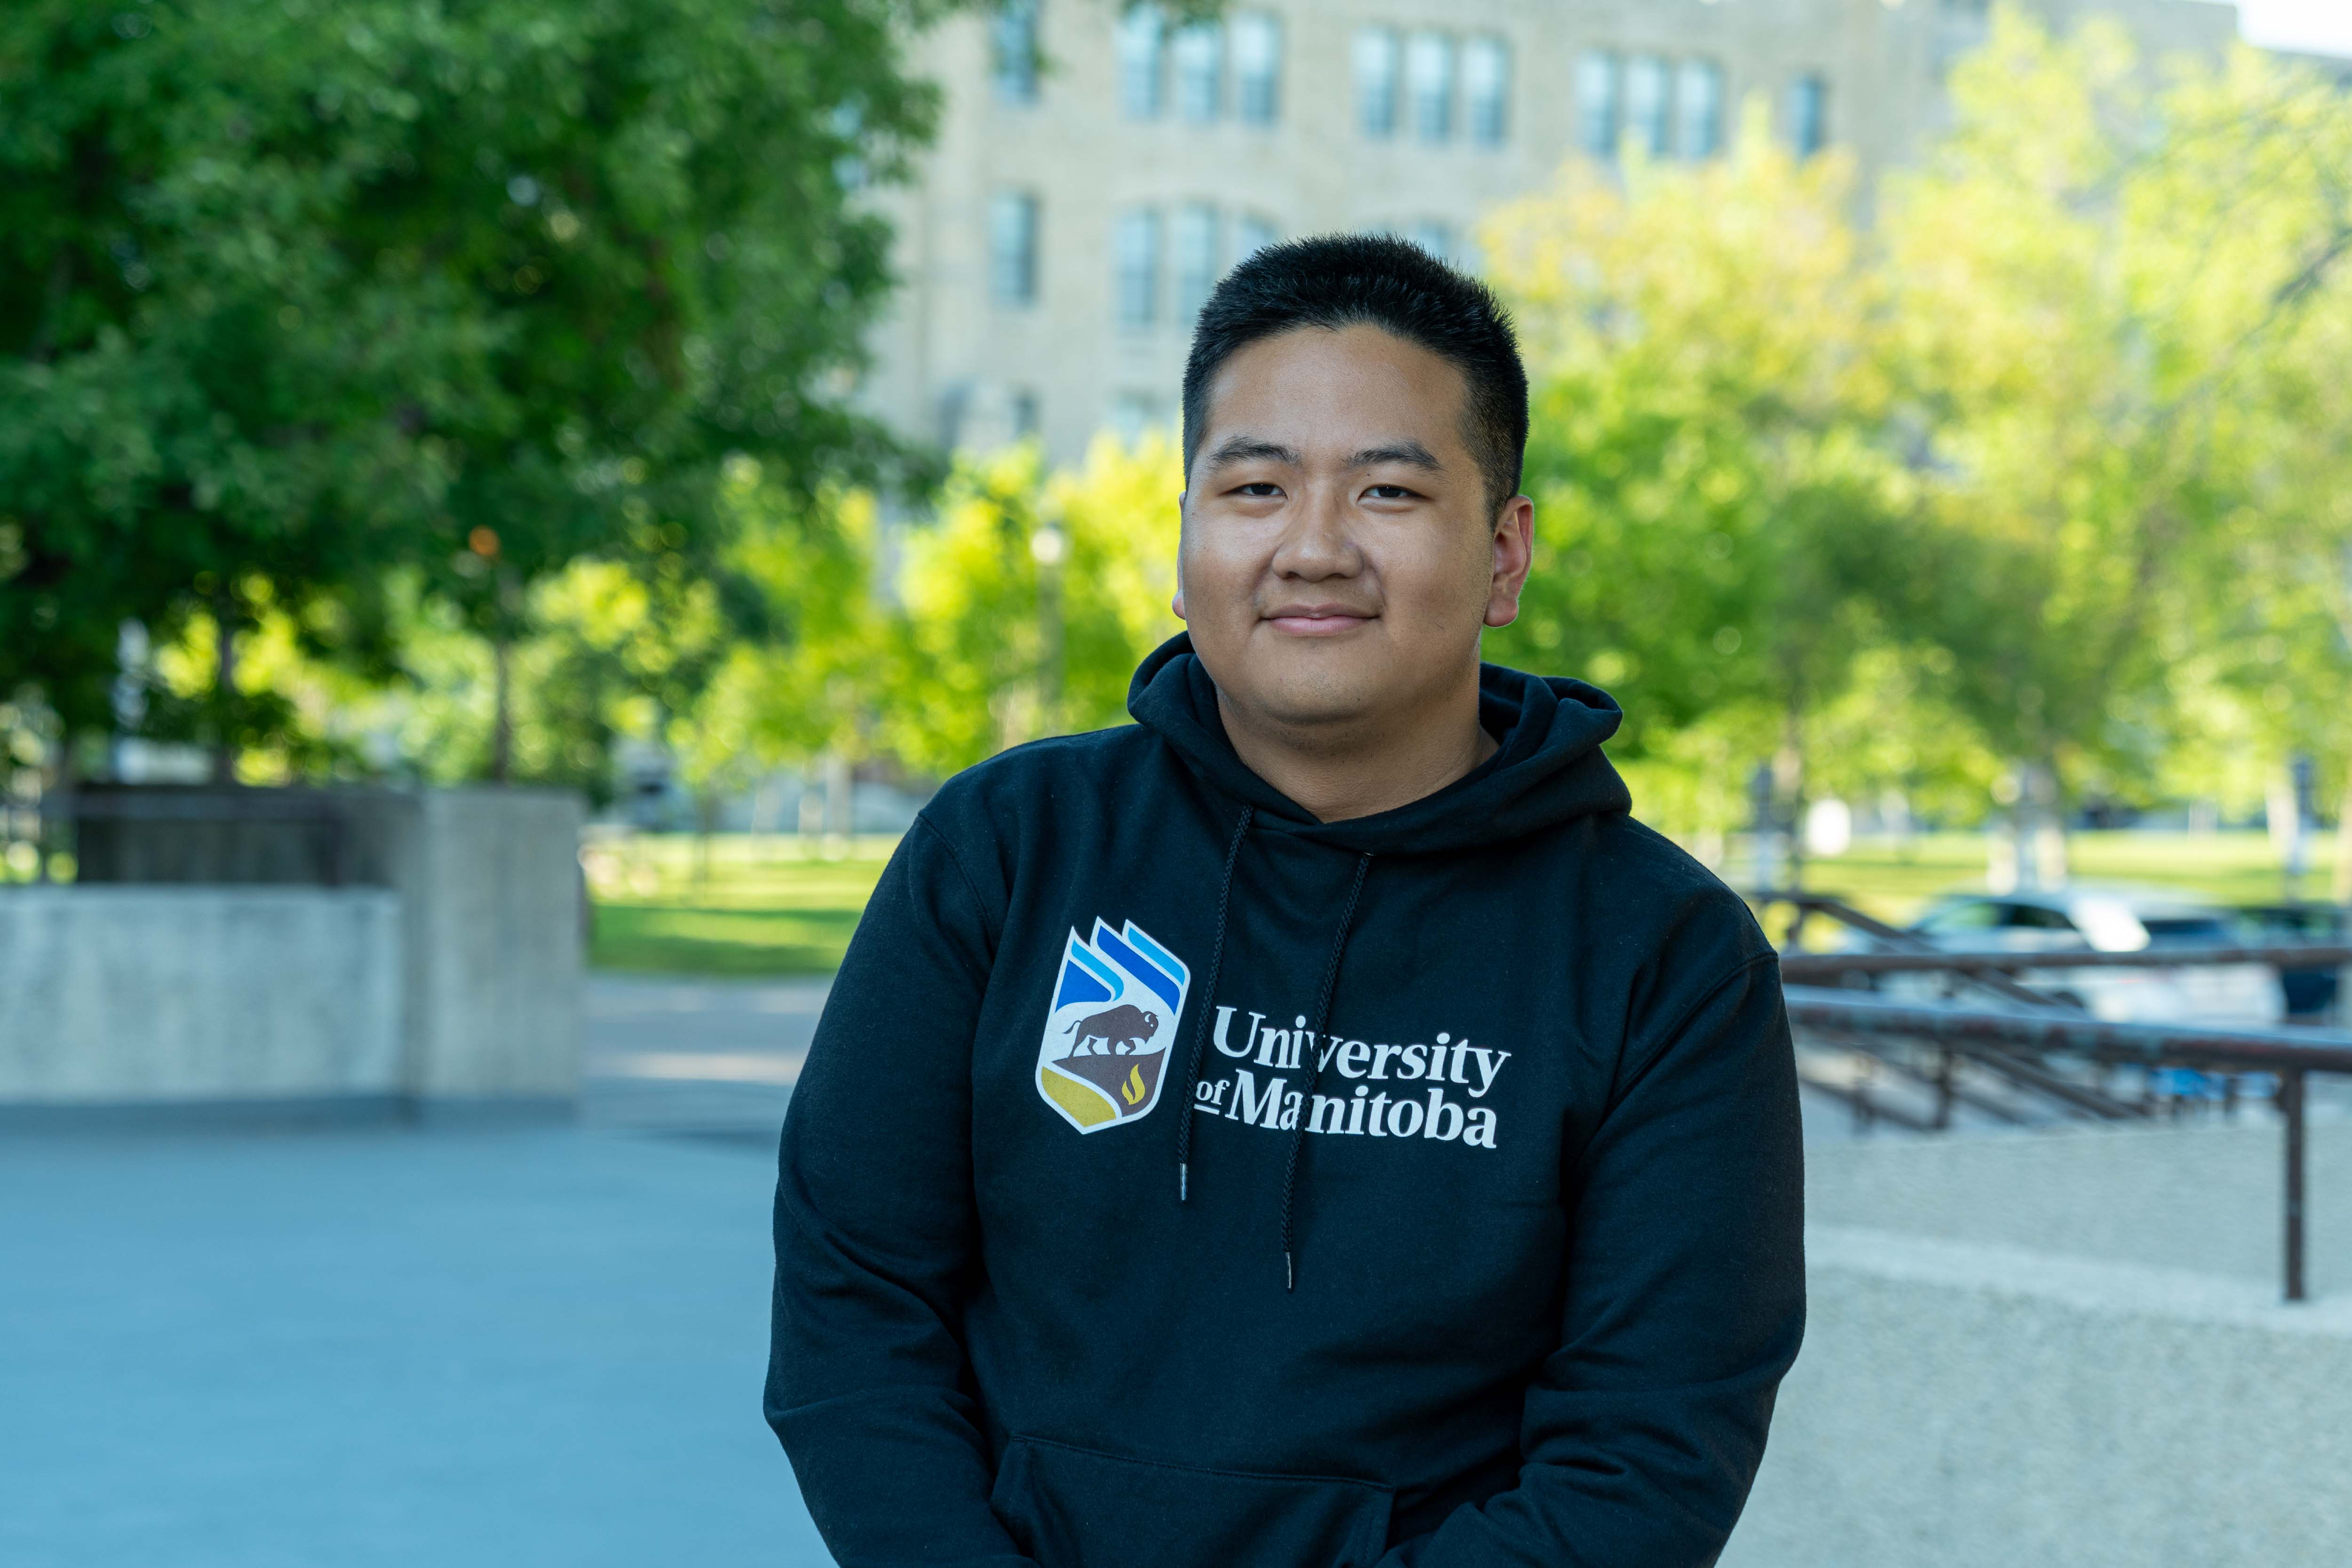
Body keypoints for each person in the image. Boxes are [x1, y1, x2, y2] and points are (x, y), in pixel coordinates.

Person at [766, 235, 1804, 1568]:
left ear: (1504, 555)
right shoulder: (1008, 852)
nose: (1312, 549)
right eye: (1255, 487)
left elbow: (1647, 1459)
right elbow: (855, 1307)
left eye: (1387, 492)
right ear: (1186, 537)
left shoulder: (1666, 956)